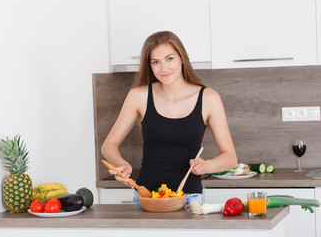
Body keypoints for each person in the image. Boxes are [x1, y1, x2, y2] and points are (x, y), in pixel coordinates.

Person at [101, 31, 237, 204]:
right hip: (145, 197)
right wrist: (122, 164)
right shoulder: (138, 96)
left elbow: (230, 157)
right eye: (155, 62)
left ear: (182, 58)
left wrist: (207, 166)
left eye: (169, 59)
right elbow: (108, 145)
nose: (163, 68)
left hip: (189, 199)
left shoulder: (209, 98)